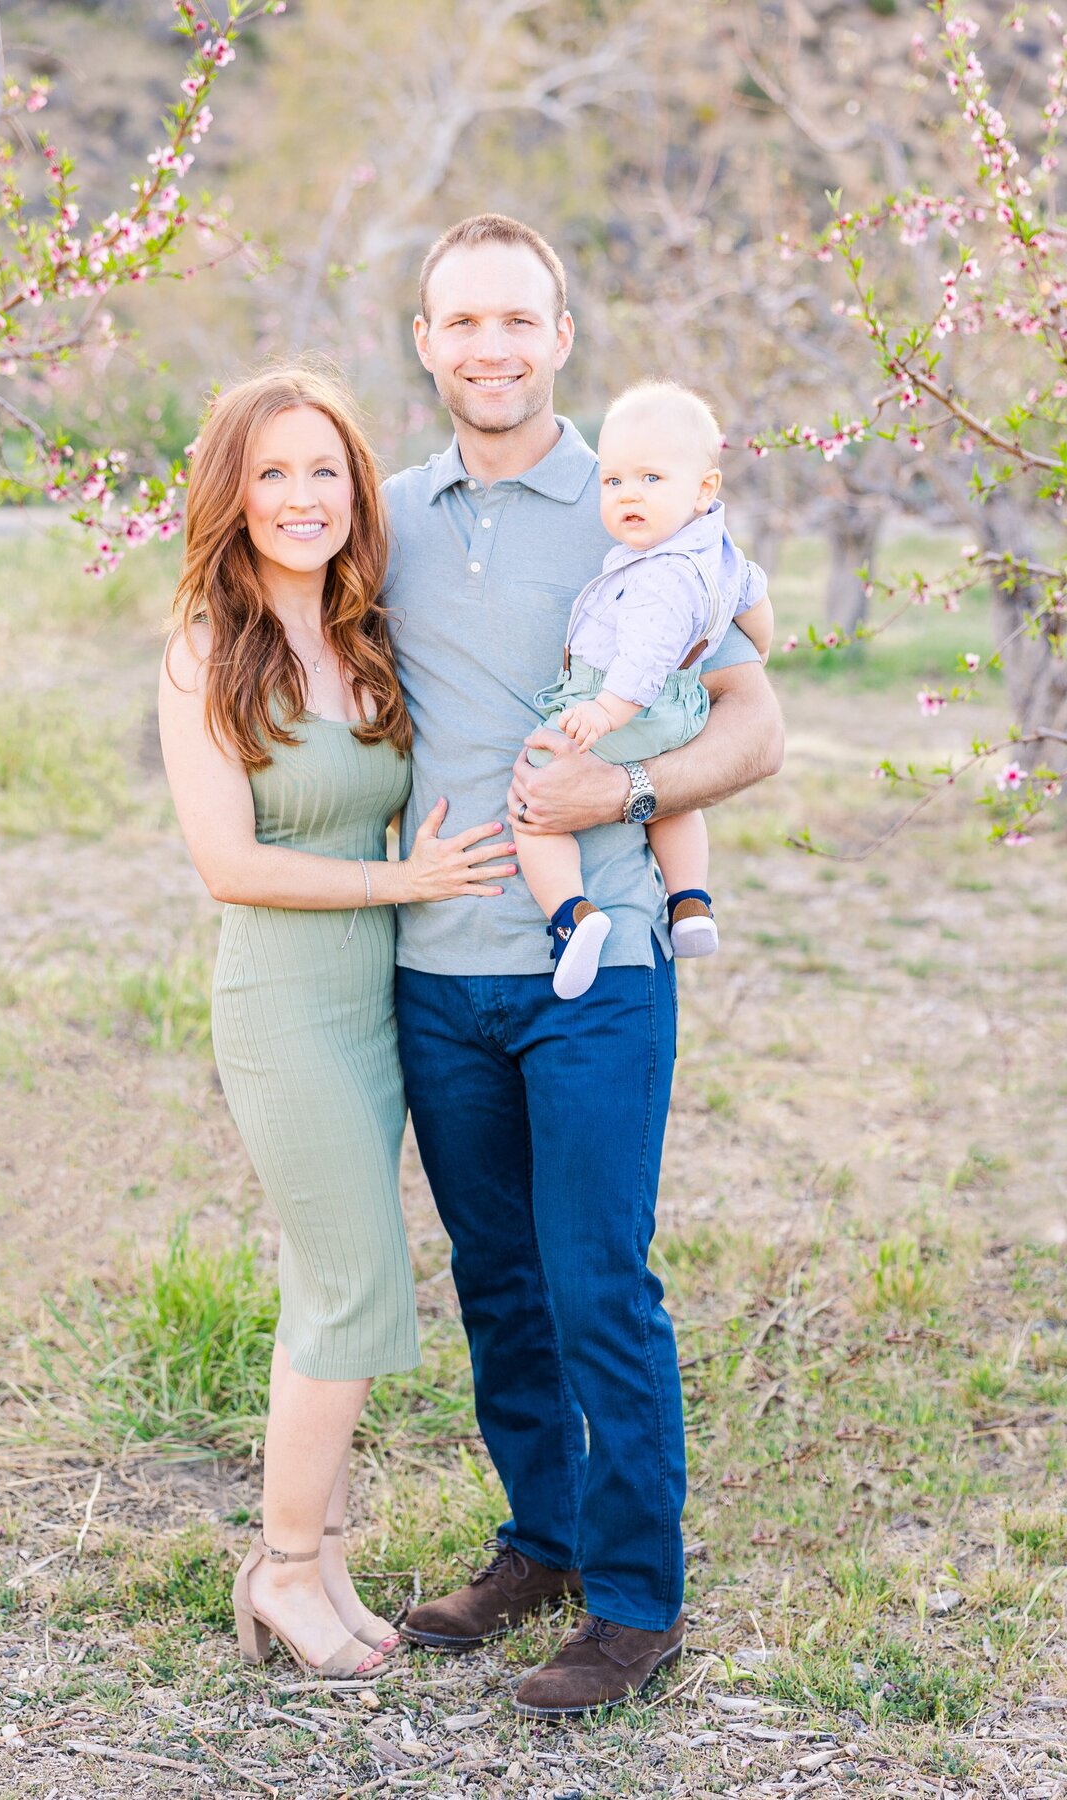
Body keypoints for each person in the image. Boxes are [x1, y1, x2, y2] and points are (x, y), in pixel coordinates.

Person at [384, 215, 784, 1717]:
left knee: (598, 1280)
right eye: (460, 321)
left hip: (598, 964)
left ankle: (634, 1604)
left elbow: (756, 727)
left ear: (561, 333)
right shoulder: (391, 510)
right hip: (438, 965)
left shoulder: (632, 499)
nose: (489, 346)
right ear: (425, 340)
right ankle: (541, 1544)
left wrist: (616, 797)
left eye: (517, 320)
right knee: (498, 1282)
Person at [157, 365, 516, 1681]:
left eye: (324, 471)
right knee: (358, 1281)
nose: (301, 497)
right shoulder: (209, 642)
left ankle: (314, 1557)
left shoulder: (366, 633)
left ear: (356, 488)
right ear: (233, 496)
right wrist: (399, 879)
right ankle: (285, 1569)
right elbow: (230, 863)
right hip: (284, 1006)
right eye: (271, 474)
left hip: (381, 1001)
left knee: (330, 1284)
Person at [519, 379, 775, 1000]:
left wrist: (603, 711)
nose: (629, 495)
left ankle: (571, 916)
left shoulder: (658, 573)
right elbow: (755, 598)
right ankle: (690, 901)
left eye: (651, 481)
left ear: (703, 487)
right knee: (673, 803)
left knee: (534, 801)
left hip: (624, 703)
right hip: (680, 709)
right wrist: (759, 650)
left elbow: (642, 658)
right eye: (614, 482)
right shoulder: (715, 550)